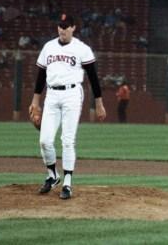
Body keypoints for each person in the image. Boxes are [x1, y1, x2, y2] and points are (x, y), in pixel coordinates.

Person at [29, 14, 106, 200]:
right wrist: (35, 101)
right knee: (45, 140)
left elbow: (93, 77)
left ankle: (68, 183)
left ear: (73, 28)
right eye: (60, 26)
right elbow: (41, 76)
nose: (62, 29)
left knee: (67, 140)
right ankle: (53, 176)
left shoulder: (82, 49)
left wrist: (99, 103)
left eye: (66, 26)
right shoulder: (49, 47)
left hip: (72, 94)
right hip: (52, 94)